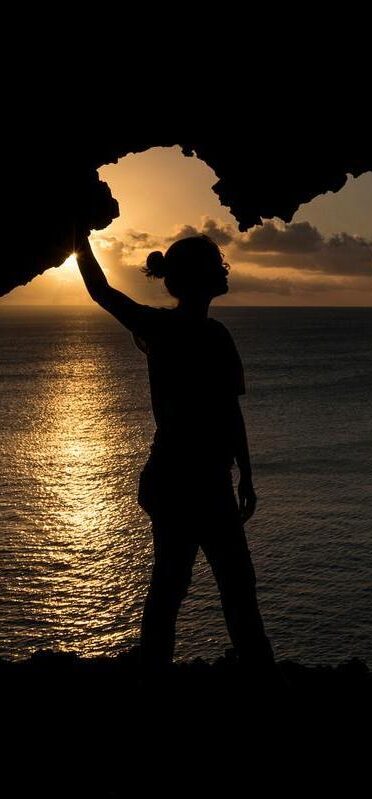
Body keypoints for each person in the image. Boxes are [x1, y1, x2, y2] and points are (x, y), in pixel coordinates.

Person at [74, 231, 274, 676]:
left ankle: (161, 675)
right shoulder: (198, 333)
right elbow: (101, 292)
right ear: (203, 278)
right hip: (193, 480)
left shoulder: (177, 330)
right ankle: (256, 675)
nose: (222, 272)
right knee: (225, 588)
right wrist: (79, 239)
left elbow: (229, 410)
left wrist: (246, 474)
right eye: (215, 267)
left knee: (179, 587)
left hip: (186, 478)